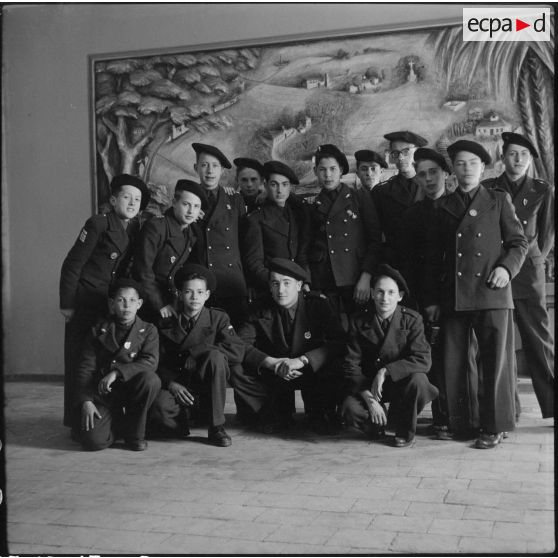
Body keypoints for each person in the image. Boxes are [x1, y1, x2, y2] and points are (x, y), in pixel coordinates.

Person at [425, 140, 528, 448]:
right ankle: (464, 423)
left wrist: (506, 270)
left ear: (483, 168)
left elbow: (518, 244)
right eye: (460, 163)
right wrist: (432, 299)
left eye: (472, 163)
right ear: (453, 170)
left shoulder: (498, 200)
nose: (466, 169)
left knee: (495, 363)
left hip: (491, 292)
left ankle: (494, 425)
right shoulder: (442, 206)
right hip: (454, 295)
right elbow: (433, 259)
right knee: (455, 363)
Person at [60, 174, 150, 431]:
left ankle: (102, 417)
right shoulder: (98, 223)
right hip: (86, 300)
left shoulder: (132, 228)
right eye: (126, 197)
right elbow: (72, 264)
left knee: (101, 359)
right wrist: (67, 303)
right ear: (112, 200)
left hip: (108, 302)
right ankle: (76, 421)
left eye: (137, 199)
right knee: (79, 359)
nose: (132, 203)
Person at [482, 132, 554, 419]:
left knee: (539, 340)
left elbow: (547, 235)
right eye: (513, 153)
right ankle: (508, 408)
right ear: (502, 157)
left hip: (528, 274)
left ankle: (551, 405)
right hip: (495, 274)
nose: (518, 159)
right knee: (501, 343)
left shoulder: (542, 189)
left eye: (524, 155)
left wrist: (529, 261)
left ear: (531, 160)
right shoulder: (489, 188)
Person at [233, 258, 348, 433]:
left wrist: (304, 360)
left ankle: (320, 413)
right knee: (236, 366)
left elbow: (339, 342)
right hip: (275, 373)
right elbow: (239, 344)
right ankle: (271, 413)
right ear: (270, 286)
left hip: (309, 370)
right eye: (275, 283)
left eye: (287, 283)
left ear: (299, 285)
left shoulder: (318, 305)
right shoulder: (258, 307)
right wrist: (271, 362)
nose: (281, 290)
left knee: (336, 364)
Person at [341, 264, 437, 448]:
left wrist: (385, 371)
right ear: (371, 293)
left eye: (391, 292)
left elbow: (423, 359)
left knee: (419, 380)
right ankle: (377, 423)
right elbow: (351, 365)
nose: (385, 298)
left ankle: (405, 430)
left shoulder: (412, 319)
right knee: (350, 409)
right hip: (370, 387)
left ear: (400, 296)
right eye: (380, 292)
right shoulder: (358, 320)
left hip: (402, 385)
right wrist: (370, 402)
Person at [148, 264, 244, 447]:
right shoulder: (165, 322)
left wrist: (197, 351)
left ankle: (216, 427)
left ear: (207, 295)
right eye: (189, 292)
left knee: (215, 357)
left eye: (200, 292)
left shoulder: (218, 319)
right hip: (178, 385)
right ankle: (189, 416)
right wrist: (171, 384)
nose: (194, 297)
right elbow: (154, 360)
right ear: (180, 294)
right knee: (158, 412)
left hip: (207, 386)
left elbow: (236, 351)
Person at [74, 278, 161, 451]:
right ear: (112, 304)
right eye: (121, 300)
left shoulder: (148, 330)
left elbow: (150, 362)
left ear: (140, 304)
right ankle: (117, 422)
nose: (126, 305)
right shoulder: (98, 330)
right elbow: (86, 367)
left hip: (132, 391)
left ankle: (135, 434)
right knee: (93, 442)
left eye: (132, 300)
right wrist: (86, 400)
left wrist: (116, 373)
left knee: (151, 380)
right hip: (104, 394)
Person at [401, 148, 452, 437]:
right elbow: (409, 263)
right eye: (422, 174)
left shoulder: (458, 208)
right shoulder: (412, 216)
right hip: (422, 299)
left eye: (434, 172)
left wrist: (440, 299)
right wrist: (424, 300)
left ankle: (453, 415)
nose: (429, 178)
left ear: (445, 172)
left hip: (455, 298)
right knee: (429, 356)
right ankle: (438, 416)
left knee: (454, 359)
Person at [305, 144, 382, 321]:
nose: (327, 175)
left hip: (355, 278)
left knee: (359, 328)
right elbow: (308, 245)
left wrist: (366, 276)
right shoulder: (312, 205)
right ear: (316, 172)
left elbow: (375, 241)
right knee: (330, 332)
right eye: (322, 170)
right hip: (325, 280)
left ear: (341, 170)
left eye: (332, 169)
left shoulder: (359, 197)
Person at [131, 179, 206, 322]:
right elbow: (142, 271)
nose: (191, 211)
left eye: (196, 207)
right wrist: (160, 304)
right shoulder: (156, 227)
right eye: (186, 204)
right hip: (150, 301)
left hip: (173, 300)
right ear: (174, 202)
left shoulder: (191, 233)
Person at [192, 143, 248, 326]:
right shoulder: (188, 201)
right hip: (200, 283)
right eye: (204, 165)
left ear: (222, 170)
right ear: (196, 168)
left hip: (230, 281)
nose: (209, 171)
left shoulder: (235, 199)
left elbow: (245, 241)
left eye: (215, 166)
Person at [243, 160, 309, 294]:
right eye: (274, 184)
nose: (280, 190)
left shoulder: (298, 214)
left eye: (285, 185)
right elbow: (255, 263)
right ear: (265, 185)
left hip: (297, 285)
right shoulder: (256, 218)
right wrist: (276, 283)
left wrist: (306, 281)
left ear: (290, 187)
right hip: (272, 288)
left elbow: (302, 255)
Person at [371, 131, 428, 268]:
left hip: (428, 264)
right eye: (396, 153)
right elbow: (374, 236)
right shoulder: (381, 192)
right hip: (395, 265)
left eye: (406, 151)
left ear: (418, 152)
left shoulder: (431, 188)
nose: (401, 157)